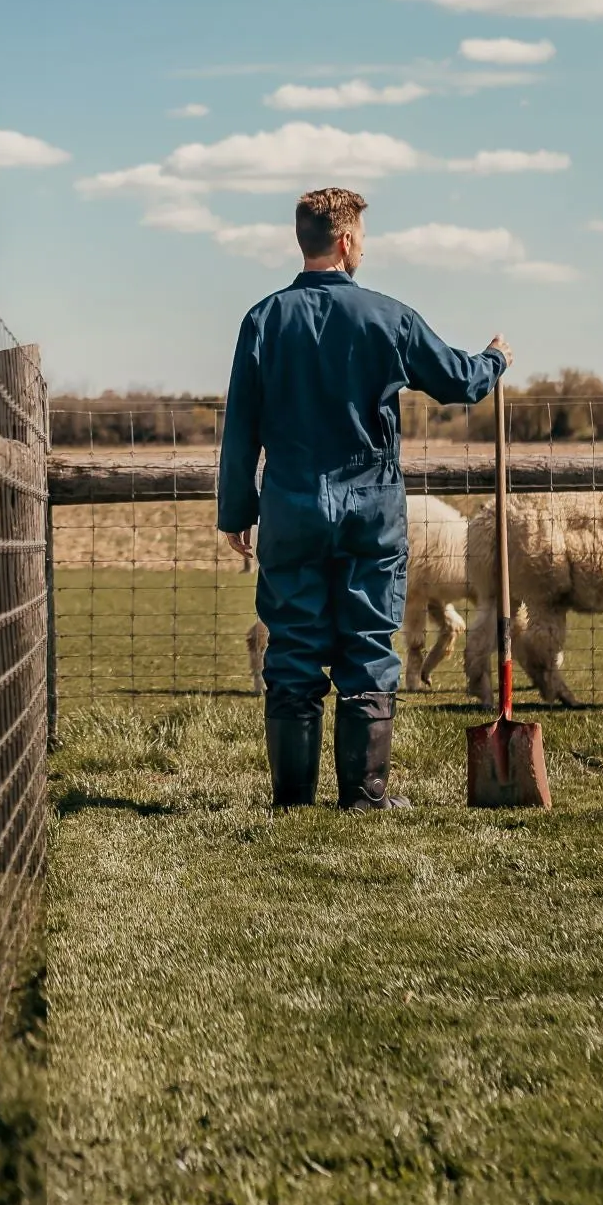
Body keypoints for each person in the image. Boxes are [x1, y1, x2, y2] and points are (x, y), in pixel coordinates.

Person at [216, 187, 510, 810]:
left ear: (305, 240)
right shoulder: (387, 317)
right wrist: (493, 361)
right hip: (369, 508)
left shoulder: (263, 319)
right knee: (369, 641)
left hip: (293, 506)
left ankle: (292, 798)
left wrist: (237, 510)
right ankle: (365, 794)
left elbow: (241, 423)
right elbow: (457, 381)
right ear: (347, 241)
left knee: (291, 645)